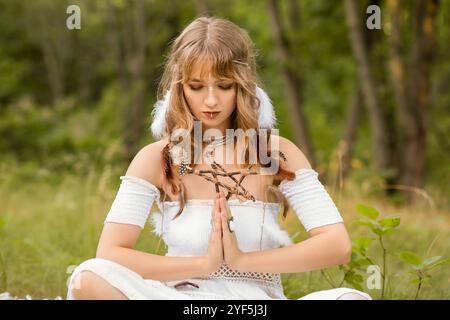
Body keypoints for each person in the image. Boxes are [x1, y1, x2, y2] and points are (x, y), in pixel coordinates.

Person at [67, 16, 372, 300]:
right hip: (180, 299)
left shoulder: (275, 152)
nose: (211, 100)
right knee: (87, 277)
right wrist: (204, 264)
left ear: (242, 84)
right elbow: (110, 253)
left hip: (256, 305)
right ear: (179, 88)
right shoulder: (157, 157)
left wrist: (241, 261)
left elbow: (337, 245)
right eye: (196, 87)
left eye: (224, 86)